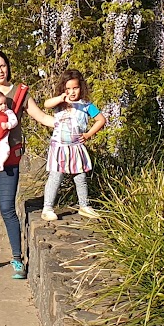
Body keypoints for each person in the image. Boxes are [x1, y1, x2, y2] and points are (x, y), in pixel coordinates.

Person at [0, 50, 53, 278]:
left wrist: (66, 123)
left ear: (8, 67)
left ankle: (16, 259)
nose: (0, 70)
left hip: (9, 161)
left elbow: (42, 117)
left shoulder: (20, 93)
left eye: (3, 66)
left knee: (7, 209)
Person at [41, 69, 107, 221]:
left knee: (80, 176)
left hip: (76, 147)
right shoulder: (60, 103)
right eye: (68, 88)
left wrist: (88, 134)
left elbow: (101, 120)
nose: (72, 91)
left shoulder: (86, 105)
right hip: (59, 147)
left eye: (75, 88)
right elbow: (46, 104)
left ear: (81, 87)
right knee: (55, 176)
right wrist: (61, 97)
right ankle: (47, 207)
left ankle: (84, 205)